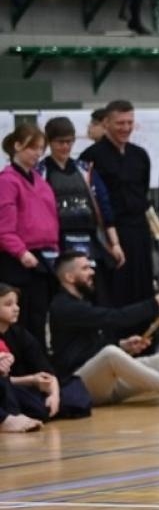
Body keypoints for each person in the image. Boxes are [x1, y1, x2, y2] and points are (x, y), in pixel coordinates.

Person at [48, 252, 159, 406]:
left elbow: (88, 346)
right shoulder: (63, 307)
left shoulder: (80, 302)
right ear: (69, 277)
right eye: (85, 268)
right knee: (110, 354)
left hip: (104, 383)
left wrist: (123, 345)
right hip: (78, 386)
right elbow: (117, 318)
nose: (92, 271)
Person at [80, 100, 154, 308]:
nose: (125, 128)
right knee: (115, 288)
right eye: (120, 123)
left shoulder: (140, 155)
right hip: (110, 232)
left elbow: (143, 190)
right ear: (106, 123)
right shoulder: (91, 156)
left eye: (129, 122)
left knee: (142, 284)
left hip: (139, 228)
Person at [41, 118, 122, 294]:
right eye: (60, 142)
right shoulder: (41, 172)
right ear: (49, 142)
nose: (65, 146)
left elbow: (104, 205)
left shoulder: (85, 169)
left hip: (89, 239)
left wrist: (114, 243)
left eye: (69, 141)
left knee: (93, 291)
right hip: (57, 242)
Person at [1, 125, 61, 347]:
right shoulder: (7, 180)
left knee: (38, 319)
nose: (37, 153)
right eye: (32, 148)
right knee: (20, 319)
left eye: (40, 148)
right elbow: (4, 227)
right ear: (17, 146)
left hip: (43, 257)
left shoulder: (39, 180)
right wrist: (20, 251)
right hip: (18, 260)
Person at [0, 282, 86, 425]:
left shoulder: (20, 334)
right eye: (8, 304)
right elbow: (4, 381)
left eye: (17, 304)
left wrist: (54, 395)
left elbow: (46, 371)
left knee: (74, 387)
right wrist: (31, 379)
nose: (16, 309)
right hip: (9, 388)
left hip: (25, 386)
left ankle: (49, 407)